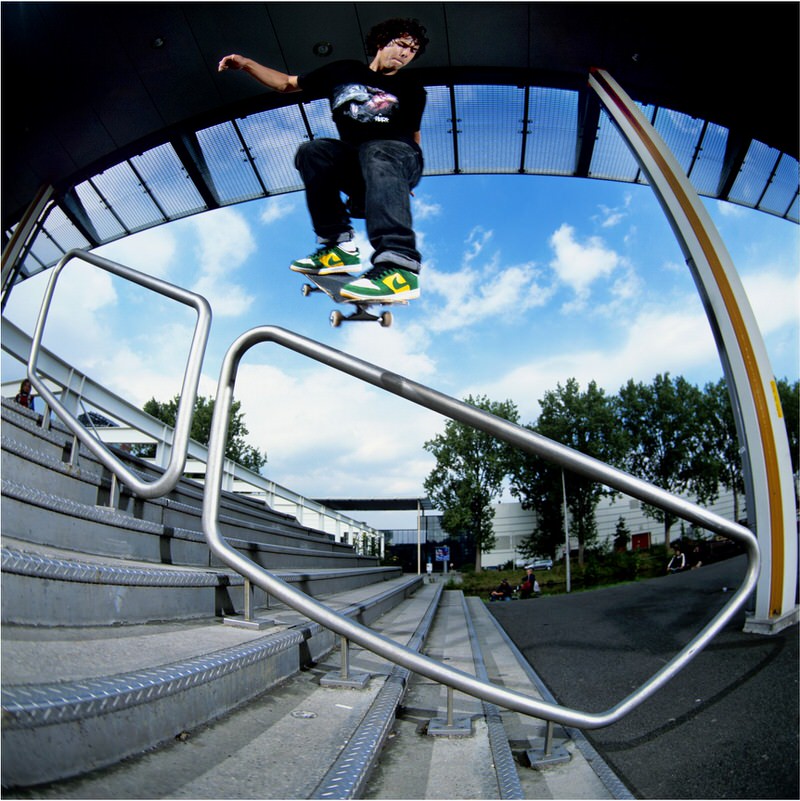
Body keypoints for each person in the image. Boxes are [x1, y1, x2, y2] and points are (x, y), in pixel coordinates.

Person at [218, 18, 429, 303]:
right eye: (401, 45)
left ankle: (399, 267)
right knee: (313, 151)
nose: (405, 54)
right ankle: (337, 246)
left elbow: (413, 133)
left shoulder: (412, 87)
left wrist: (403, 175)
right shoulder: (344, 71)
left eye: (412, 50)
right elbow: (285, 83)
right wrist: (246, 64)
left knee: (378, 149)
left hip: (396, 156)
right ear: (382, 42)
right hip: (360, 165)